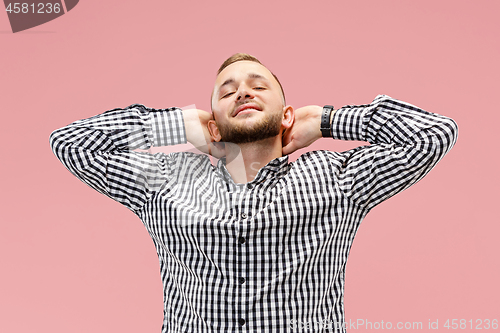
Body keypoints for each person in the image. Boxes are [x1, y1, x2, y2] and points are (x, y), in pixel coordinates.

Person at [49, 53, 458, 332]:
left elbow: (433, 135)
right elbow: (70, 143)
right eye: (226, 91)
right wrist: (175, 123)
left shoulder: (339, 179)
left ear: (286, 115)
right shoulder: (167, 179)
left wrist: (328, 119)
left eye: (258, 85)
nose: (242, 92)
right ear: (213, 126)